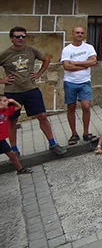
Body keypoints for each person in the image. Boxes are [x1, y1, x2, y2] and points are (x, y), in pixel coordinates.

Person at [0, 27, 67, 157]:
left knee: (42, 116)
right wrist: (2, 80)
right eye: (18, 36)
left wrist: (39, 74)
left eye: (23, 36)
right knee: (12, 120)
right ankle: (14, 149)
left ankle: (53, 143)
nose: (21, 39)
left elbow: (46, 59)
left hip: (31, 89)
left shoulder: (31, 50)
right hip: (13, 92)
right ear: (12, 39)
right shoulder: (5, 54)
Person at [61, 27, 99, 145]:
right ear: (72, 34)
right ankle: (73, 134)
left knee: (86, 106)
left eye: (82, 33)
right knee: (71, 107)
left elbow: (94, 62)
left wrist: (76, 63)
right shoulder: (67, 50)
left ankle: (86, 133)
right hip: (70, 82)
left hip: (85, 82)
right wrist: (85, 65)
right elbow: (67, 66)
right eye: (77, 32)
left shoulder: (89, 47)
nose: (80, 34)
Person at [0, 94, 32, 174]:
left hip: (1, 139)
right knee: (11, 154)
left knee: (12, 154)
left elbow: (18, 106)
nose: (7, 102)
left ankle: (20, 169)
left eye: (7, 100)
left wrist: (13, 101)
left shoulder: (7, 110)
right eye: (4, 101)